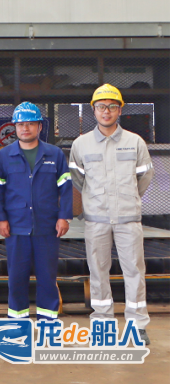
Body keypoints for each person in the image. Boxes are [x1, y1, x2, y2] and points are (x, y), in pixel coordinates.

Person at [70, 84, 154, 345]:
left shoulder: (135, 142)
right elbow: (78, 180)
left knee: (134, 271)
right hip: (96, 220)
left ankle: (137, 325)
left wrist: (128, 199)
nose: (106, 111)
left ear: (120, 110)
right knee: (98, 271)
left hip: (129, 219)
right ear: (93, 110)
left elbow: (144, 177)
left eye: (112, 106)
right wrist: (95, 201)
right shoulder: (81, 144)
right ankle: (102, 322)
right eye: (101, 107)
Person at [0, 102, 72, 322]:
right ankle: (18, 322)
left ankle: (48, 322)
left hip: (47, 226)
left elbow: (65, 188)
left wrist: (64, 216)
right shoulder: (4, 156)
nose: (25, 128)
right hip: (16, 226)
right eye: (20, 124)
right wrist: (0, 218)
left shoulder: (54, 154)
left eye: (30, 124)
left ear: (39, 126)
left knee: (47, 277)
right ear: (15, 127)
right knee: (17, 277)